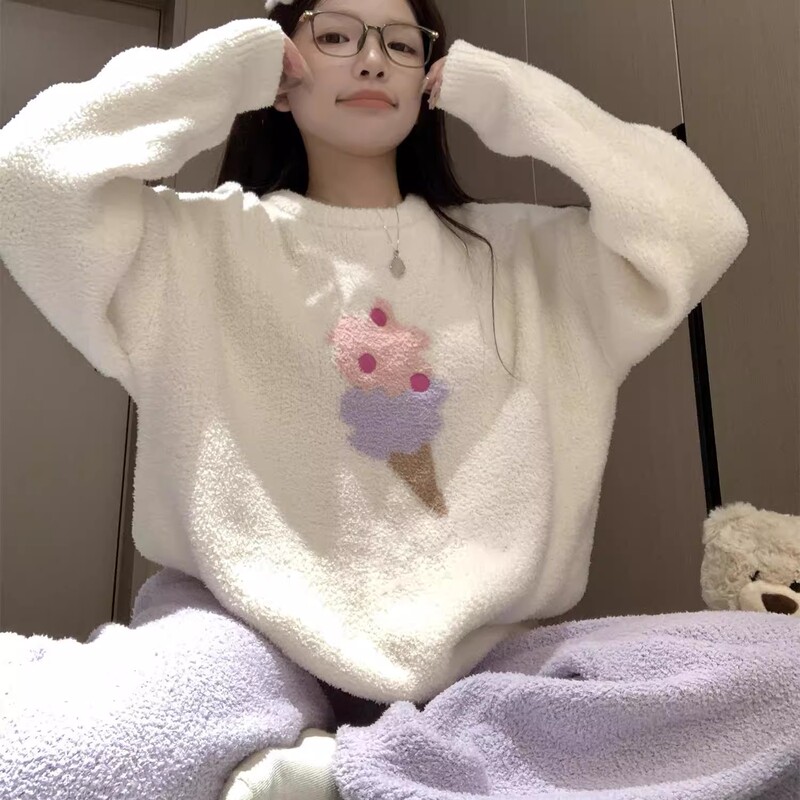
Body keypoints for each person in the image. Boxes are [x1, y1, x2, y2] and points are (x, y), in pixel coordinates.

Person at [0, 0, 749, 797]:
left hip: (487, 655)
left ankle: (346, 771)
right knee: (52, 754)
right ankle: (440, 766)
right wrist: (226, 70)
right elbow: (30, 175)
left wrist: (506, 95)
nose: (371, 59)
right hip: (240, 634)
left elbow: (702, 226)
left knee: (773, 679)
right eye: (334, 35)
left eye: (400, 43)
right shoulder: (189, 245)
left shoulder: (531, 257)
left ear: (431, 76)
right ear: (282, 69)